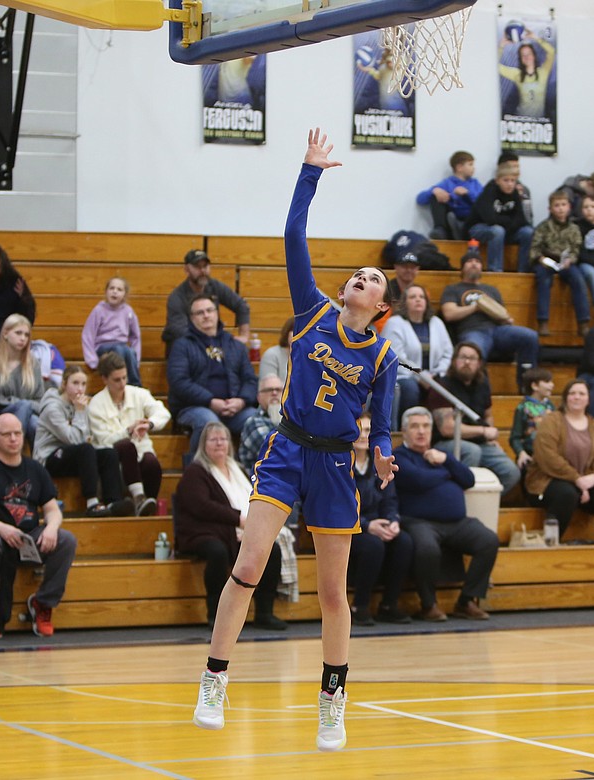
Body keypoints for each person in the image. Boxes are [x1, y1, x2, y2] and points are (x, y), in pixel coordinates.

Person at [192, 130, 398, 756]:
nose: (361, 278)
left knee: (332, 593)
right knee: (250, 565)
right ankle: (213, 679)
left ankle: (332, 702)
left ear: (380, 305)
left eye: (373, 279)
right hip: (286, 449)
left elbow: (383, 421)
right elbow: (293, 236)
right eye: (358, 273)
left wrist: (383, 451)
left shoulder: (384, 355)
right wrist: (309, 174)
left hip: (336, 465)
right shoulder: (310, 310)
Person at [0, 413, 77, 639]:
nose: (13, 439)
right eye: (7, 434)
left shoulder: (35, 469)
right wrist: (1, 528)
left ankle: (43, 604)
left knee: (66, 540)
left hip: (28, 537)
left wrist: (51, 527)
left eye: (17, 433)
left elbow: (52, 509)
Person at [175, 423, 287, 631]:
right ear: (203, 445)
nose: (219, 443)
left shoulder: (238, 469)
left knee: (273, 550)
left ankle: (264, 612)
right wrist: (238, 520)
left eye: (223, 438)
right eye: (213, 439)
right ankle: (215, 614)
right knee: (218, 552)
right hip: (201, 532)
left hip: (234, 531)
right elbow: (202, 507)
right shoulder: (195, 472)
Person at [393, 406, 497, 622]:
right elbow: (419, 480)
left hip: (457, 522)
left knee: (488, 540)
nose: (421, 431)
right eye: (415, 427)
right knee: (427, 548)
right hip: (418, 521)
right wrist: (447, 471)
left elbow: (468, 479)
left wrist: (447, 461)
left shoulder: (442, 455)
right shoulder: (398, 457)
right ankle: (428, 605)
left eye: (426, 426)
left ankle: (466, 601)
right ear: (404, 432)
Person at [525, 381, 594, 544]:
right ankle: (549, 547)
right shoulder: (551, 422)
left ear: (588, 400)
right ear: (565, 398)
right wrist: (577, 480)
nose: (577, 397)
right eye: (572, 393)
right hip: (549, 481)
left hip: (586, 482)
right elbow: (548, 458)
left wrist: (593, 478)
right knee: (566, 494)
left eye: (581, 394)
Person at [167, 294, 259, 461]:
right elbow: (179, 382)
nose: (206, 315)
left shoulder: (235, 345)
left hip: (235, 409)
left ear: (217, 313)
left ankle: (251, 475)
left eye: (210, 310)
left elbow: (251, 380)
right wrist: (210, 401)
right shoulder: (182, 345)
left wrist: (241, 401)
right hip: (194, 407)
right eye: (200, 313)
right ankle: (196, 474)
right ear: (191, 318)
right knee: (208, 423)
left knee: (256, 421)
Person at [34, 365, 133, 518]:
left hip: (73, 455)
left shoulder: (81, 406)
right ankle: (92, 503)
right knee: (86, 449)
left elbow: (86, 436)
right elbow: (74, 440)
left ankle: (113, 501)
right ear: (64, 384)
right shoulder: (52, 408)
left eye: (83, 384)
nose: (80, 389)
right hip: (49, 458)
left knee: (109, 454)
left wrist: (80, 412)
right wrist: (80, 412)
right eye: (75, 383)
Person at [427, 341, 521, 496]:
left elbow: (488, 415)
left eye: (472, 358)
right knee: (473, 451)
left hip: (479, 443)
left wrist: (490, 438)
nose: (467, 362)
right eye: (463, 357)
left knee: (511, 472)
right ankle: (457, 499)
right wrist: (484, 431)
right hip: (446, 444)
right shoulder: (442, 386)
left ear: (479, 364)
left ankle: (481, 503)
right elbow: (447, 428)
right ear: (454, 360)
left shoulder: (482, 385)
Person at [439, 250, 540, 392]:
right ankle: (478, 392)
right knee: (473, 350)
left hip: (497, 330)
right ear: (462, 268)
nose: (474, 264)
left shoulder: (491, 290)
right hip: (472, 331)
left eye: (478, 262)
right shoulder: (453, 289)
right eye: (470, 261)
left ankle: (527, 386)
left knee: (530, 337)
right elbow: (449, 313)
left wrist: (506, 319)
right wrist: (476, 307)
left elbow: (502, 314)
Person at [349, 413, 413, 626]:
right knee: (373, 545)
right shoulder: (341, 465)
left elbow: (390, 499)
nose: (363, 435)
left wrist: (392, 520)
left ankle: (389, 604)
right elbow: (341, 506)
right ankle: (360, 605)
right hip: (350, 528)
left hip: (378, 523)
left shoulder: (380, 465)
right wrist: (368, 525)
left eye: (368, 431)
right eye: (359, 430)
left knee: (403, 541)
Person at [87, 351, 167, 517]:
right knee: (126, 445)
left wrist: (149, 423)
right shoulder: (96, 404)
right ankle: (139, 497)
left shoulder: (138, 393)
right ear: (104, 379)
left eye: (124, 377)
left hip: (140, 454)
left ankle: (147, 505)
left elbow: (163, 413)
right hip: (113, 461)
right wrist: (128, 431)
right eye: (117, 379)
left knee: (152, 463)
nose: (122, 383)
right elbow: (104, 440)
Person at [381, 283, 453, 429]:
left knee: (447, 384)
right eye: (413, 297)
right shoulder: (394, 323)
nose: (418, 300)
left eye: (421, 297)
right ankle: (405, 430)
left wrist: (437, 373)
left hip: (434, 375)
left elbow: (448, 352)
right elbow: (396, 357)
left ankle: (439, 432)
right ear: (405, 302)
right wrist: (421, 376)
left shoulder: (436, 323)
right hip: (403, 376)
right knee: (410, 388)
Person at [161, 249, 251, 350]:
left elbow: (241, 305)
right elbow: (181, 331)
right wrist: (220, 340)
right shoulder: (176, 297)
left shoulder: (214, 285)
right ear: (186, 270)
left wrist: (244, 336)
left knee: (237, 355)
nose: (203, 271)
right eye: (197, 267)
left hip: (211, 346)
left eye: (205, 266)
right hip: (185, 349)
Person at [529, 189, 590, 337]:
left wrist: (571, 260)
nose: (561, 208)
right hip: (546, 261)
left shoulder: (574, 228)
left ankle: (583, 322)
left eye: (564, 205)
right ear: (550, 209)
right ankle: (543, 321)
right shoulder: (543, 227)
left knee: (578, 278)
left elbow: (576, 249)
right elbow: (534, 248)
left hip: (566, 262)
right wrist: (540, 259)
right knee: (543, 280)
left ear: (569, 207)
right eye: (557, 205)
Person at [466, 163, 534, 273]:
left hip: (505, 230)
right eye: (506, 180)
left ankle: (523, 271)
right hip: (479, 228)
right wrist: (510, 221)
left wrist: (507, 222)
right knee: (498, 230)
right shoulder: (489, 192)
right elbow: (490, 219)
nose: (510, 184)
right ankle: (495, 270)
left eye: (513, 181)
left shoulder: (515, 194)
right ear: (497, 181)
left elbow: (522, 220)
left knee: (528, 232)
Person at [0, 314, 46, 440]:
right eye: (18, 333)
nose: (23, 338)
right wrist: (23, 404)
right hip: (1, 415)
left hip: (29, 414)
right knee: (25, 408)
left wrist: (27, 406)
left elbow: (40, 400)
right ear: (5, 334)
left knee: (35, 424)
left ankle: (38, 459)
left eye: (26, 335)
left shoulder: (33, 363)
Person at [82, 276, 142, 387]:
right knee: (119, 349)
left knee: (129, 351)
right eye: (112, 288)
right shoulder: (99, 310)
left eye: (119, 289)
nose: (115, 292)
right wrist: (92, 360)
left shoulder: (128, 311)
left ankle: (135, 385)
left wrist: (136, 359)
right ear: (106, 291)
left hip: (122, 348)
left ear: (125, 294)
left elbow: (136, 337)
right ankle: (121, 384)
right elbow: (87, 335)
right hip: (104, 348)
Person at [415, 150, 483, 241]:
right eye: (470, 164)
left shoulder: (475, 184)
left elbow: (483, 202)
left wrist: (468, 193)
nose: (474, 168)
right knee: (436, 196)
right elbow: (420, 199)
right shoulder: (447, 183)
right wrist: (434, 191)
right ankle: (441, 229)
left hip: (470, 219)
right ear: (459, 167)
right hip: (452, 215)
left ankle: (458, 228)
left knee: (477, 208)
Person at [497, 28, 555, 119]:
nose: (526, 57)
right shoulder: (517, 75)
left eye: (528, 53)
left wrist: (535, 37)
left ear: (534, 56)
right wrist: (501, 47)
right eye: (523, 55)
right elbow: (496, 67)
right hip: (520, 121)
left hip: (540, 122)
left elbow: (551, 52)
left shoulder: (544, 71)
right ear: (521, 59)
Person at [509, 366, 555, 472]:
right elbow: (515, 437)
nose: (552, 385)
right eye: (547, 382)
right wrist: (521, 453)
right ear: (535, 386)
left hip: (550, 453)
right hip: (530, 454)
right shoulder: (522, 408)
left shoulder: (550, 406)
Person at [236, 374, 284, 474]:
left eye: (278, 390)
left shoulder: (293, 419)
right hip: (264, 484)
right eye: (269, 390)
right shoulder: (253, 423)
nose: (274, 393)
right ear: (259, 397)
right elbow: (277, 454)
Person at [258, 316, 294, 385]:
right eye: (295, 331)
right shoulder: (272, 355)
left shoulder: (311, 357)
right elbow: (269, 387)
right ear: (287, 333)